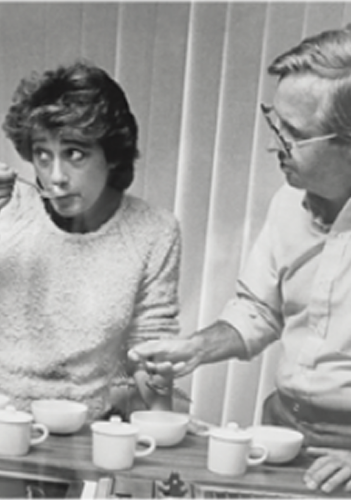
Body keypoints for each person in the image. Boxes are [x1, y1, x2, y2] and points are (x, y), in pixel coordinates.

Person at [128, 25, 351, 494]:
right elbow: (259, 310)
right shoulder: (287, 204)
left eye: (293, 134)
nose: (274, 145)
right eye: (276, 123)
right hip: (283, 430)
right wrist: (194, 347)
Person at [0, 61, 181, 419]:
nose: (55, 177)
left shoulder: (153, 230)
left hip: (79, 429)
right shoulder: (11, 206)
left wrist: (162, 436)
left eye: (74, 154)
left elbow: (152, 350)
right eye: (42, 155)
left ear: (112, 154)